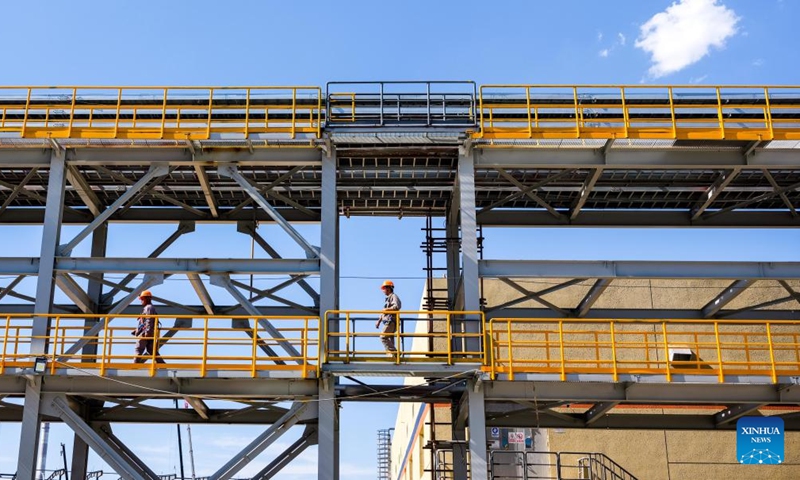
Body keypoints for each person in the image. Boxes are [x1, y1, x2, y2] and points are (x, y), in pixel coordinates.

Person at [132, 290, 165, 364]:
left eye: (142, 299)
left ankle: (134, 366)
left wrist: (147, 331)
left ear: (147, 299)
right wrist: (137, 330)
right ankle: (162, 365)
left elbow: (149, 319)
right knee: (152, 350)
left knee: (138, 349)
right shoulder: (149, 307)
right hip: (149, 332)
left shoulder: (148, 308)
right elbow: (145, 321)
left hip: (146, 333)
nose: (141, 301)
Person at [375, 280, 401, 355]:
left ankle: (395, 353)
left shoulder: (394, 296)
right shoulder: (388, 299)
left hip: (391, 322)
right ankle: (391, 355)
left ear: (388, 288)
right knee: (389, 339)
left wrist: (387, 309)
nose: (383, 291)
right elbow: (384, 312)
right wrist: (379, 321)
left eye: (384, 289)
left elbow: (397, 306)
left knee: (383, 337)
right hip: (388, 321)